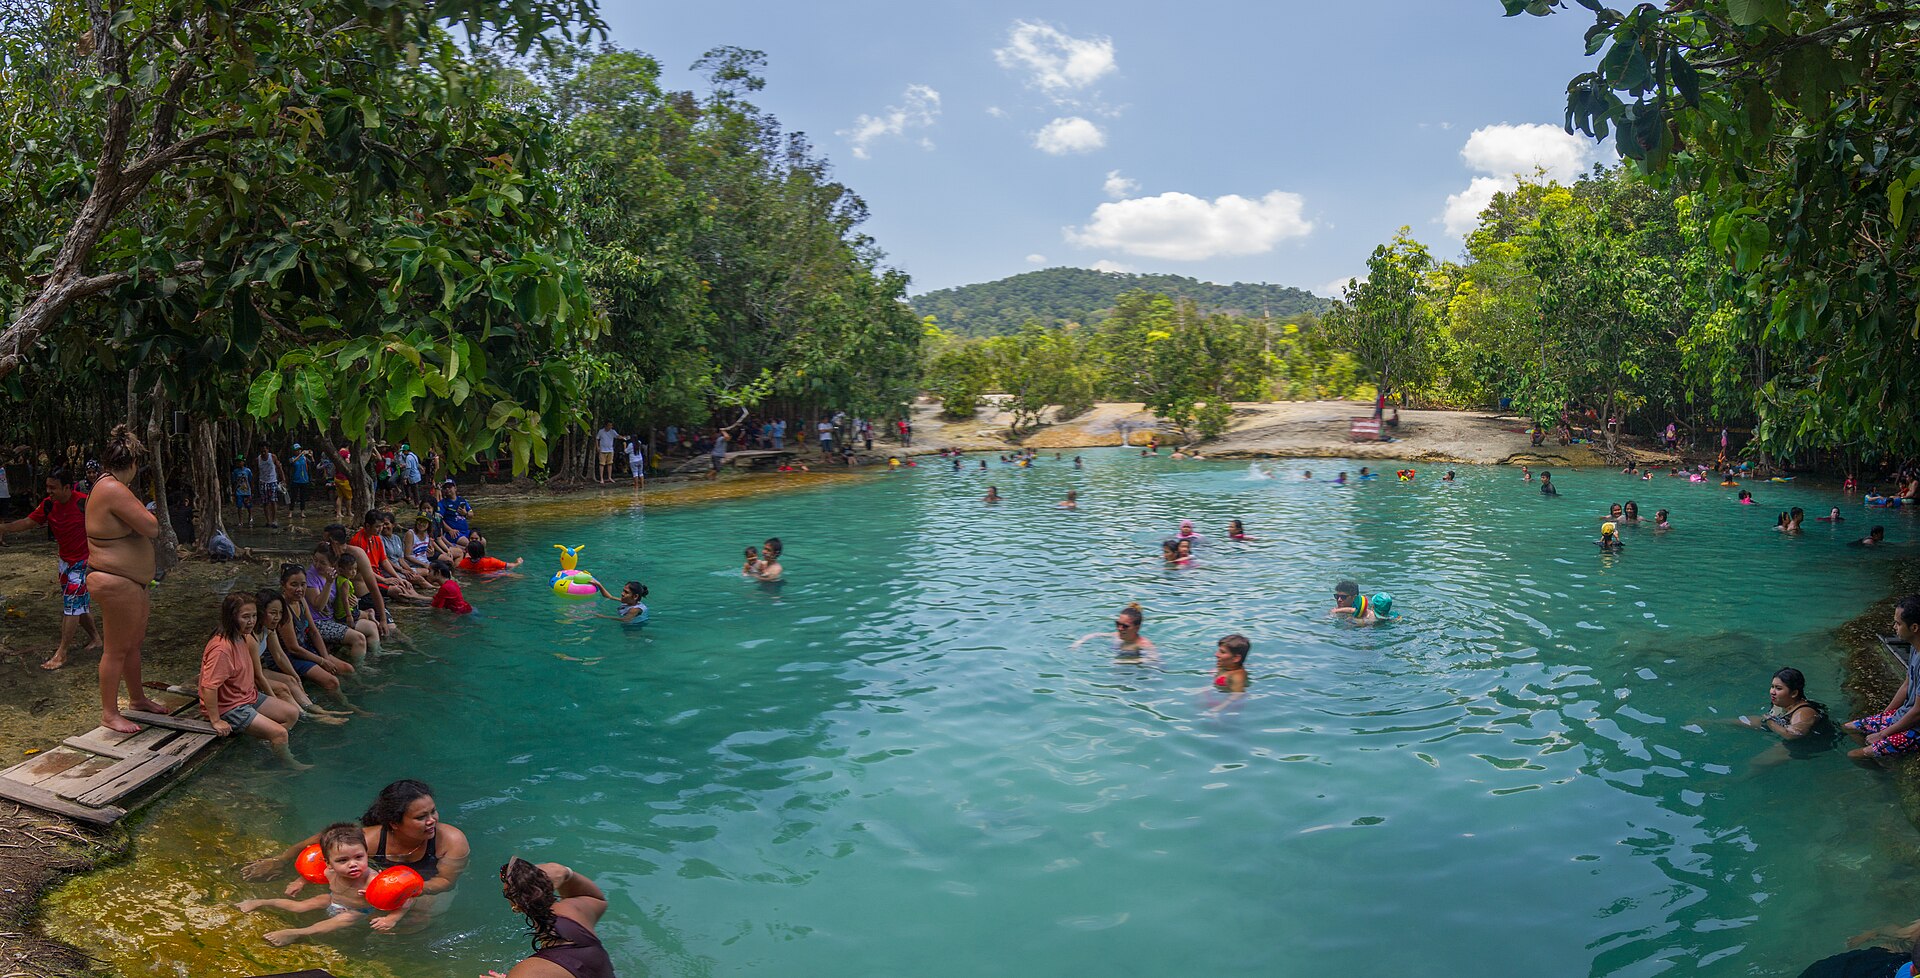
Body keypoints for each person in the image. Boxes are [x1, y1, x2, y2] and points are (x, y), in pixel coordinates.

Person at [246, 780, 471, 929]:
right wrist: (281, 860)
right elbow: (321, 840)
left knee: (419, 919)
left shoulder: (451, 840)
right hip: (371, 878)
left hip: (425, 883)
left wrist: (404, 889)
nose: (432, 820)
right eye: (421, 817)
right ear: (394, 823)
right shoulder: (370, 839)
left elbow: (447, 882)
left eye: (433, 811)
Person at [87, 428, 164, 733]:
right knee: (116, 649)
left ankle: (137, 699)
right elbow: (152, 527)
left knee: (132, 645)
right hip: (115, 580)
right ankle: (109, 713)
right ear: (131, 465)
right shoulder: (113, 489)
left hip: (130, 582)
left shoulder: (110, 486)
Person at [0, 467, 102, 671]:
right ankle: (96, 638)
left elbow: (106, 522)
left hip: (83, 562)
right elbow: (28, 522)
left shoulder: (84, 502)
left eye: (53, 488)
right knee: (77, 605)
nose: (49, 491)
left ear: (67, 488)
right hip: (65, 562)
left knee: (71, 606)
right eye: (47, 487)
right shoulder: (48, 505)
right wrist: (4, 528)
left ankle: (61, 653)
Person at [237, 823, 399, 946]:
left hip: (358, 910)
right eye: (343, 860)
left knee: (338, 921)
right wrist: (300, 881)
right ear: (328, 863)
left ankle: (296, 933)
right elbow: (314, 875)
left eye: (359, 857)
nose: (353, 864)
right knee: (299, 906)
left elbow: (405, 900)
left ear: (366, 854)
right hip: (332, 899)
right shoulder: (329, 872)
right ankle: (260, 902)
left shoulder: (373, 880)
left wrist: (391, 919)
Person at [198, 592, 308, 768]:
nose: (251, 621)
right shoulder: (222, 649)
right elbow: (209, 687)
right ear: (231, 617)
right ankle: (290, 766)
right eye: (245, 617)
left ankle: (268, 743)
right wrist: (216, 720)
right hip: (230, 706)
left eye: (254, 616)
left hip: (248, 696)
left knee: (292, 713)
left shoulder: (242, 636)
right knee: (280, 733)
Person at [488, 858, 616, 978]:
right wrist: (566, 873)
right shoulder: (574, 912)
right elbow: (596, 898)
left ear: (517, 906)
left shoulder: (529, 971)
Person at [1845, 595, 1920, 764]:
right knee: (1849, 728)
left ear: (1914, 627)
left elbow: (1917, 712)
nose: (1894, 627)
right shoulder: (1916, 648)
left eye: (1898, 623)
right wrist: (1883, 715)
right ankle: (1882, 759)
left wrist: (1882, 733)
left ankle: (1884, 772)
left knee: (1854, 755)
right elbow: (1907, 684)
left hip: (1916, 728)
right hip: (1904, 715)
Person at [1738, 666, 1836, 758]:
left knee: (1757, 762)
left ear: (1794, 693)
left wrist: (1770, 721)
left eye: (1778, 688)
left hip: (1809, 745)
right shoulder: (1782, 702)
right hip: (1785, 732)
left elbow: (1792, 735)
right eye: (1772, 686)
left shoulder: (1802, 713)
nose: (1772, 691)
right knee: (1736, 722)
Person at [1072, 603, 1156, 662]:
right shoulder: (1116, 635)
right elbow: (1095, 634)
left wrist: (1126, 661)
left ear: (1137, 628)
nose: (1120, 628)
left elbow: (1154, 661)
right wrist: (1078, 642)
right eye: (1118, 624)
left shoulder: (1143, 644)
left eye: (1125, 626)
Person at [1209, 634, 1250, 714]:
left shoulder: (1237, 676)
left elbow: (1237, 695)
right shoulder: (1224, 665)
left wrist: (1218, 709)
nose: (1216, 655)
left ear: (1236, 658)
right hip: (1216, 698)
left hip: (1226, 710)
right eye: (1218, 651)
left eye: (1222, 652)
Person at [458, 538, 523, 575]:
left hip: (475, 578)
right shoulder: (490, 561)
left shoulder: (464, 562)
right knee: (506, 573)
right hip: (491, 575)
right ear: (482, 550)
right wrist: (518, 562)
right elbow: (510, 566)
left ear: (469, 552)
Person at [257, 445, 283, 529]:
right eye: (262, 452)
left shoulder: (272, 457)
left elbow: (279, 467)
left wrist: (283, 478)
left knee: (273, 501)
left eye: (265, 451)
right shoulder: (258, 459)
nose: (263, 453)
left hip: (272, 481)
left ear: (268, 450)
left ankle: (274, 520)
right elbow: (256, 471)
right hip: (263, 482)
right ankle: (268, 521)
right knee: (265, 502)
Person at [288, 445, 313, 519]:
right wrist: (300, 454)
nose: (298, 451)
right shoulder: (292, 458)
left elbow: (312, 463)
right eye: (297, 450)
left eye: (299, 450)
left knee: (303, 497)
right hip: (295, 480)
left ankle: (302, 512)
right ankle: (290, 512)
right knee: (293, 497)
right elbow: (292, 462)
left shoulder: (304, 458)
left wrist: (311, 456)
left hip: (304, 480)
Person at [232, 454, 255, 528]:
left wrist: (252, 491)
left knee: (249, 506)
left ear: (243, 462)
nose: (238, 463)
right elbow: (234, 482)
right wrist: (234, 492)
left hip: (247, 491)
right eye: (237, 462)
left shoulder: (248, 471)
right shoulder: (235, 471)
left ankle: (250, 518)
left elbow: (251, 481)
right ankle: (240, 521)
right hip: (239, 492)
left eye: (240, 461)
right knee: (239, 507)